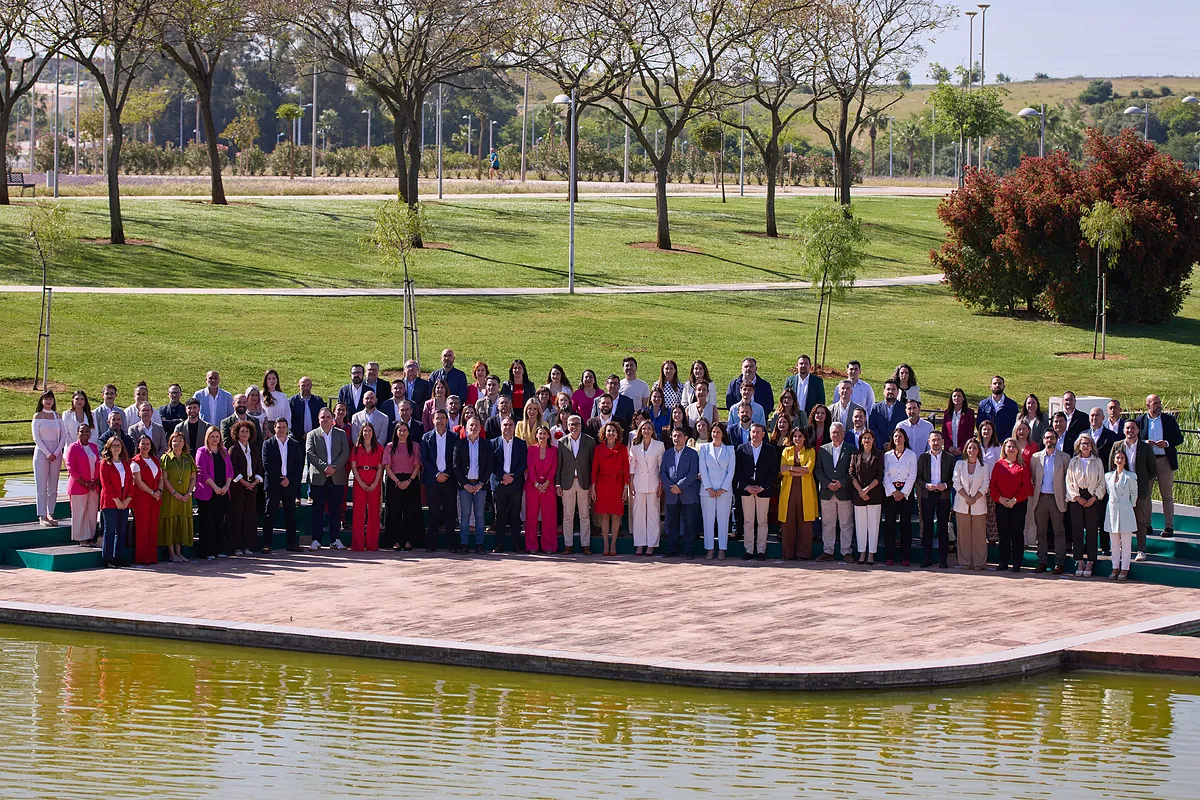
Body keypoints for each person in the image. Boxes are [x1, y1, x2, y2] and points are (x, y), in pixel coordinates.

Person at [1138, 394, 1184, 538]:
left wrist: (1167, 443)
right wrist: (1146, 443)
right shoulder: (1140, 421)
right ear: (1147, 406)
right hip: (1148, 461)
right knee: (1146, 494)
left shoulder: (1168, 420)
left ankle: (1169, 526)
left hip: (1165, 459)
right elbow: (1133, 439)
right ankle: (1147, 524)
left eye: (1159, 403)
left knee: (1167, 495)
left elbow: (1179, 438)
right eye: (1155, 403)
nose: (1158, 405)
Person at [306, 408, 350, 551]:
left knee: (335, 511)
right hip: (319, 478)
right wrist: (325, 468)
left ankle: (335, 539)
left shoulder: (341, 434)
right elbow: (310, 453)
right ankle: (316, 540)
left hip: (337, 478)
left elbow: (345, 452)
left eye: (328, 416)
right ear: (318, 419)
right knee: (317, 510)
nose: (325, 419)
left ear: (333, 419)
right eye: (322, 417)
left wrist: (334, 467)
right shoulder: (312, 435)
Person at [734, 422, 779, 561]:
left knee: (762, 521)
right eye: (753, 432)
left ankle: (761, 551)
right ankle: (749, 550)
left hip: (763, 491)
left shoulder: (770, 450)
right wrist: (746, 486)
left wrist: (763, 486)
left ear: (763, 434)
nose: (755, 434)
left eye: (758, 432)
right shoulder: (741, 449)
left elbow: (773, 471)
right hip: (746, 490)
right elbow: (737, 470)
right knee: (748, 521)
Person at [1066, 433, 1106, 578]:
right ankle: (1079, 560)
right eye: (1083, 443)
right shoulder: (1073, 462)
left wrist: (1094, 498)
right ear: (1078, 445)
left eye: (1088, 443)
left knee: (1091, 531)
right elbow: (1069, 481)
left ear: (1092, 446)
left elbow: (1102, 482)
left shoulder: (1097, 461)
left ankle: (1090, 561)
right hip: (1077, 498)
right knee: (1077, 530)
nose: (1085, 446)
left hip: (1092, 499)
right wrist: (1076, 497)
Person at [1116, 419, 1156, 563]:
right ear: (1123, 430)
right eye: (1127, 428)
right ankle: (1121, 548)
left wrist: (1143, 482)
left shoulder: (1145, 448)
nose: (1130, 431)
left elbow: (1152, 469)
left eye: (1133, 428)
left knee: (1140, 520)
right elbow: (1111, 466)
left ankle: (1141, 550)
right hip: (1121, 490)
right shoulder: (1117, 445)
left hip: (1139, 489)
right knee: (1121, 520)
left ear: (1138, 430)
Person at [1029, 429, 1068, 574]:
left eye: (1052, 437)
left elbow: (1066, 479)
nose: (1049, 440)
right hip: (1040, 498)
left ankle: (1059, 563)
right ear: (1043, 440)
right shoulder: (1036, 457)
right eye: (1047, 438)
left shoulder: (1064, 458)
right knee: (1041, 532)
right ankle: (1042, 562)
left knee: (1058, 531)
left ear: (1056, 439)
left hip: (1056, 498)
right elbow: (1033, 477)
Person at [815, 421, 855, 562]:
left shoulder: (851, 449)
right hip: (827, 492)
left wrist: (842, 483)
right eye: (833, 432)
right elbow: (818, 470)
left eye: (838, 432)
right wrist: (827, 484)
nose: (836, 435)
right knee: (827, 523)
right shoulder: (823, 449)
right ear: (830, 434)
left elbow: (853, 471)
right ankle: (828, 551)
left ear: (843, 433)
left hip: (844, 492)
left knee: (846, 523)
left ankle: (846, 551)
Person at [421, 409, 459, 552]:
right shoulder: (426, 437)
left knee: (450, 512)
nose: (440, 421)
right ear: (433, 420)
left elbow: (456, 459)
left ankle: (451, 543)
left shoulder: (454, 437)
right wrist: (437, 474)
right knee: (433, 513)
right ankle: (432, 543)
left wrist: (446, 474)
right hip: (432, 480)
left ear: (447, 420)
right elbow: (424, 458)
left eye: (443, 418)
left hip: (449, 480)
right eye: (438, 418)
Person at [916, 431, 956, 568]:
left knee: (943, 527)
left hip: (943, 495)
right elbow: (918, 478)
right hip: (928, 495)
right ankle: (926, 558)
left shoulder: (950, 458)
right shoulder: (922, 458)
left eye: (938, 440)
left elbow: (954, 479)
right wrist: (927, 485)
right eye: (933, 440)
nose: (936, 442)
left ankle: (943, 560)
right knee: (927, 528)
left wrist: (945, 485)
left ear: (943, 441)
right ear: (929, 442)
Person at [453, 416, 492, 554]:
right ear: (466, 427)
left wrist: (481, 483)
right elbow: (456, 466)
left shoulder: (487, 445)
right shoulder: (459, 444)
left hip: (480, 486)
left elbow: (489, 466)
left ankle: (479, 544)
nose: (473, 428)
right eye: (471, 425)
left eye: (476, 425)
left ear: (480, 427)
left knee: (480, 516)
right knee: (465, 515)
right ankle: (464, 544)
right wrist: (464, 484)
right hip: (465, 486)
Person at [660, 427, 701, 558]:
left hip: (687, 493)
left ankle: (689, 550)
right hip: (672, 493)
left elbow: (693, 473)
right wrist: (671, 486)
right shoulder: (667, 454)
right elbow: (663, 472)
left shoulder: (692, 454)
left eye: (678, 436)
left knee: (689, 524)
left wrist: (679, 486)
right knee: (672, 524)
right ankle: (672, 549)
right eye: (674, 436)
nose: (676, 438)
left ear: (685, 438)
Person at [991, 438, 1031, 573]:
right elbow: (993, 485)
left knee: (1017, 534)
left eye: (1014, 446)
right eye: (1009, 446)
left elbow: (1027, 487)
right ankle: (1003, 562)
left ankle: (1016, 563)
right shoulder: (998, 465)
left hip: (1018, 504)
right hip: (1001, 504)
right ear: (1004, 449)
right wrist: (1000, 499)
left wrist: (1015, 499)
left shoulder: (1023, 465)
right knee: (1003, 534)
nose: (1011, 449)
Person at [381, 421, 422, 552]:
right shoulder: (389, 447)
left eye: (405, 430)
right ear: (396, 432)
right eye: (400, 431)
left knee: (410, 511)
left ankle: (409, 540)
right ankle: (395, 540)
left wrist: (409, 480)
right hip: (394, 480)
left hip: (411, 480)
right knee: (394, 512)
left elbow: (417, 465)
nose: (402, 433)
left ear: (408, 432)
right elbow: (387, 466)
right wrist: (398, 482)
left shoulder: (415, 447)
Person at [555, 415, 593, 554]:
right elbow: (559, 465)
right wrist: (557, 484)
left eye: (576, 424)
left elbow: (592, 464)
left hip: (584, 482)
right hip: (567, 483)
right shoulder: (562, 442)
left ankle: (586, 545)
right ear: (568, 425)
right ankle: (568, 544)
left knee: (584, 515)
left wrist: (592, 484)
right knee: (567, 515)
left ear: (581, 425)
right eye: (571, 424)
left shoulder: (589, 442)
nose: (574, 427)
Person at [779, 426, 817, 561]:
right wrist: (796, 469)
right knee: (788, 523)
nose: (797, 439)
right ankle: (788, 554)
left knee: (805, 523)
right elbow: (782, 470)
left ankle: (803, 554)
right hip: (788, 491)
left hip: (805, 491)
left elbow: (808, 469)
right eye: (795, 436)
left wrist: (790, 469)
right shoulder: (786, 451)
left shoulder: (810, 451)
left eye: (800, 436)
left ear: (805, 438)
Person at [591, 421, 629, 556]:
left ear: (617, 433)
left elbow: (625, 470)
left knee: (617, 516)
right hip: (603, 484)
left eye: (613, 430)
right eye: (608, 431)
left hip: (617, 484)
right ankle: (605, 544)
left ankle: (613, 544)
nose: (611, 433)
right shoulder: (598, 449)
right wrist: (593, 487)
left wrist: (626, 487)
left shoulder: (623, 449)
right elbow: (594, 469)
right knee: (605, 515)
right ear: (604, 433)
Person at [32, 389, 69, 527]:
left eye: (51, 399)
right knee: (41, 486)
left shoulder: (57, 416)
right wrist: (48, 453)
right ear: (42, 400)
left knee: (53, 486)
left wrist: (57, 451)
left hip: (56, 453)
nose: (48, 401)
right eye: (46, 398)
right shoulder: (37, 416)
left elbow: (64, 435)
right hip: (42, 452)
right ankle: (42, 515)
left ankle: (50, 513)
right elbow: (36, 437)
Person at [881, 427, 917, 566]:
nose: (898, 439)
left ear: (905, 438)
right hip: (890, 494)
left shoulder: (911, 455)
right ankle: (889, 556)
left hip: (905, 494)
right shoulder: (887, 455)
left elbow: (912, 474)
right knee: (889, 525)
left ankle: (905, 557)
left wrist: (903, 492)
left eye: (900, 436)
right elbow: (884, 474)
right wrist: (893, 491)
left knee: (905, 526)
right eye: (895, 436)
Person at [491, 416, 528, 553]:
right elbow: (491, 464)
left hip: (515, 484)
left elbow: (523, 464)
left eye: (510, 425)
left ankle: (516, 544)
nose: (507, 427)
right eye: (505, 425)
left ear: (514, 427)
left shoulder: (521, 443)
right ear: (501, 427)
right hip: (499, 484)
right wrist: (502, 476)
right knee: (500, 516)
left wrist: (512, 477)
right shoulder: (493, 443)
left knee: (515, 515)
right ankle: (499, 545)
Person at [698, 422, 735, 560]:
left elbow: (731, 470)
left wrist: (722, 489)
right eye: (713, 432)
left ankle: (722, 549)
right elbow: (702, 469)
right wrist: (709, 488)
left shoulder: (730, 449)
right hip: (707, 491)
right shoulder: (704, 448)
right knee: (708, 520)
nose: (715, 434)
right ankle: (709, 548)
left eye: (718, 432)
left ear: (723, 434)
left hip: (724, 492)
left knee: (723, 520)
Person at [951, 439, 990, 570]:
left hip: (978, 504)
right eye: (969, 448)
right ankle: (964, 562)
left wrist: (974, 498)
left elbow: (985, 485)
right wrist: (967, 497)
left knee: (979, 535)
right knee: (963, 534)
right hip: (962, 503)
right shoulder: (959, 464)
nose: (971, 451)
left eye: (974, 448)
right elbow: (956, 482)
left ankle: (979, 562)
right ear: (965, 450)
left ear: (978, 450)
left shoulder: (984, 466)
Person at [195, 426, 232, 560]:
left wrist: (226, 486)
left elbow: (230, 471)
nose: (215, 439)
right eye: (212, 437)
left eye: (217, 437)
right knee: (207, 522)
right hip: (208, 492)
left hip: (222, 492)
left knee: (219, 522)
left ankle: (219, 549)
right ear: (207, 438)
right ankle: (207, 551)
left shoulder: (224, 452)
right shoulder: (202, 451)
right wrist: (215, 487)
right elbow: (201, 472)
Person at [628, 420, 665, 556]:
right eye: (644, 429)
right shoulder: (635, 446)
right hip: (638, 482)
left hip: (654, 483)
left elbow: (661, 466)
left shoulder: (659, 446)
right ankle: (639, 544)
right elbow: (632, 465)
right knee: (638, 514)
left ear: (652, 430)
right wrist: (631, 482)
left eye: (649, 428)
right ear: (640, 431)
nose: (646, 431)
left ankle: (651, 544)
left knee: (653, 514)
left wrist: (661, 485)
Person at [227, 420, 263, 557]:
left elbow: (259, 465)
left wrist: (255, 481)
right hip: (238, 487)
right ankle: (236, 547)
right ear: (237, 433)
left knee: (249, 517)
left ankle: (248, 545)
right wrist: (243, 482)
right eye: (242, 431)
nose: (245, 433)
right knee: (237, 517)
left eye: (247, 431)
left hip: (252, 487)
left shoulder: (253, 448)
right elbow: (232, 469)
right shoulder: (233, 449)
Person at [159, 431, 196, 563]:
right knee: (171, 522)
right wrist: (175, 493)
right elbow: (164, 478)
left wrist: (188, 493)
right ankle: (171, 553)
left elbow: (193, 477)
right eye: (175, 440)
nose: (178, 443)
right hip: (171, 497)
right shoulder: (165, 458)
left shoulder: (188, 458)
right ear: (170, 443)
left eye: (180, 440)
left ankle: (179, 552)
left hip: (185, 497)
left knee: (180, 522)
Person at [849, 429, 884, 565]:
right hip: (859, 496)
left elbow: (880, 476)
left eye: (869, 438)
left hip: (874, 495)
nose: (867, 440)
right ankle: (862, 552)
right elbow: (851, 473)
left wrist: (867, 490)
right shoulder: (855, 455)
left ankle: (871, 554)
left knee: (873, 526)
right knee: (861, 525)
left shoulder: (879, 455)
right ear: (861, 440)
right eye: (864, 438)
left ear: (873, 440)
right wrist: (860, 491)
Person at [98, 436, 134, 568]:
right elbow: (105, 484)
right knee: (110, 529)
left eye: (118, 445)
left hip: (124, 500)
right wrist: (116, 500)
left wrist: (128, 499)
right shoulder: (104, 463)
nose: (116, 448)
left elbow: (130, 482)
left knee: (122, 530)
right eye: (114, 445)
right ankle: (108, 558)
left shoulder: (125, 463)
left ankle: (119, 556)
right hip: (110, 501)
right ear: (108, 447)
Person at [349, 422, 384, 551]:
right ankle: (358, 545)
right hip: (360, 480)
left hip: (374, 479)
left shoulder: (379, 448)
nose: (367, 433)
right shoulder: (356, 448)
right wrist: (360, 481)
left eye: (370, 430)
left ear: (373, 433)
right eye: (365, 431)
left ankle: (372, 544)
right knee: (358, 513)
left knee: (374, 513)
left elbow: (380, 467)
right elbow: (353, 466)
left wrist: (375, 482)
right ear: (361, 433)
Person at [1105, 449, 1139, 582]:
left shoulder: (1131, 476)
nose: (1119, 460)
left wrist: (1129, 506)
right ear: (1114, 460)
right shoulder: (1108, 476)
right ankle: (1115, 567)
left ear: (1125, 461)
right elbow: (1109, 491)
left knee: (1126, 543)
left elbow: (1134, 493)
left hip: (1125, 511)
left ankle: (1125, 568)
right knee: (1114, 543)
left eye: (1122, 458)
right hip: (1112, 511)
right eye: (1117, 458)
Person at [128, 435, 163, 565]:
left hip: (155, 498)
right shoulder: (135, 462)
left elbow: (161, 478)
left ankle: (152, 557)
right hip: (142, 498)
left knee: (153, 527)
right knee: (142, 528)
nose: (145, 446)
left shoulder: (155, 460)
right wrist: (152, 492)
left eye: (148, 444)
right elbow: (138, 481)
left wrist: (159, 491)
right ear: (138, 445)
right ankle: (142, 558)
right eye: (143, 444)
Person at [524, 425, 559, 554]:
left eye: (545, 433)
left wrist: (547, 482)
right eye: (540, 433)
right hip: (533, 487)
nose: (542, 436)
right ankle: (532, 545)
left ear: (548, 435)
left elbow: (554, 467)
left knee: (548, 517)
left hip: (548, 487)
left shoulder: (554, 450)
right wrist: (536, 483)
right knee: (531, 517)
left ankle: (548, 545)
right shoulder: (532, 449)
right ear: (536, 435)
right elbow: (530, 467)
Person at [65, 423, 101, 547]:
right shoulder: (73, 447)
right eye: (82, 431)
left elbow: (98, 464)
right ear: (77, 433)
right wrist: (83, 482)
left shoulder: (94, 447)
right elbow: (70, 467)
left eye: (87, 431)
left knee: (92, 513)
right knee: (79, 512)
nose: (85, 433)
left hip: (93, 485)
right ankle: (81, 537)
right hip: (78, 485)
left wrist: (95, 480)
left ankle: (90, 536)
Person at [977, 375, 1018, 440]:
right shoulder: (983, 404)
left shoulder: (1012, 405)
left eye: (1000, 383)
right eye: (994, 383)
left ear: (1004, 386)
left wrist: (1004, 441)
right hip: (987, 443)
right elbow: (979, 424)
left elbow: (1014, 425)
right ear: (990, 387)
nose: (997, 385)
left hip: (1005, 444)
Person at [868, 380, 906, 450]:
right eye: (888, 389)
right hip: (880, 448)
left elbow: (905, 429)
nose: (890, 391)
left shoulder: (904, 409)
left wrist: (893, 444)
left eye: (893, 389)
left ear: (897, 392)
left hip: (898, 448)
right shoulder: (875, 408)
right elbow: (873, 428)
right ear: (884, 391)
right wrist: (881, 444)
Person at [941, 389, 975, 457]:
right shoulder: (947, 412)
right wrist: (949, 446)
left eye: (959, 396)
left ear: (963, 398)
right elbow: (944, 431)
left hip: (963, 451)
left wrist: (961, 448)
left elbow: (970, 432)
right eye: (954, 396)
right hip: (949, 451)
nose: (956, 398)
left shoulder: (969, 413)